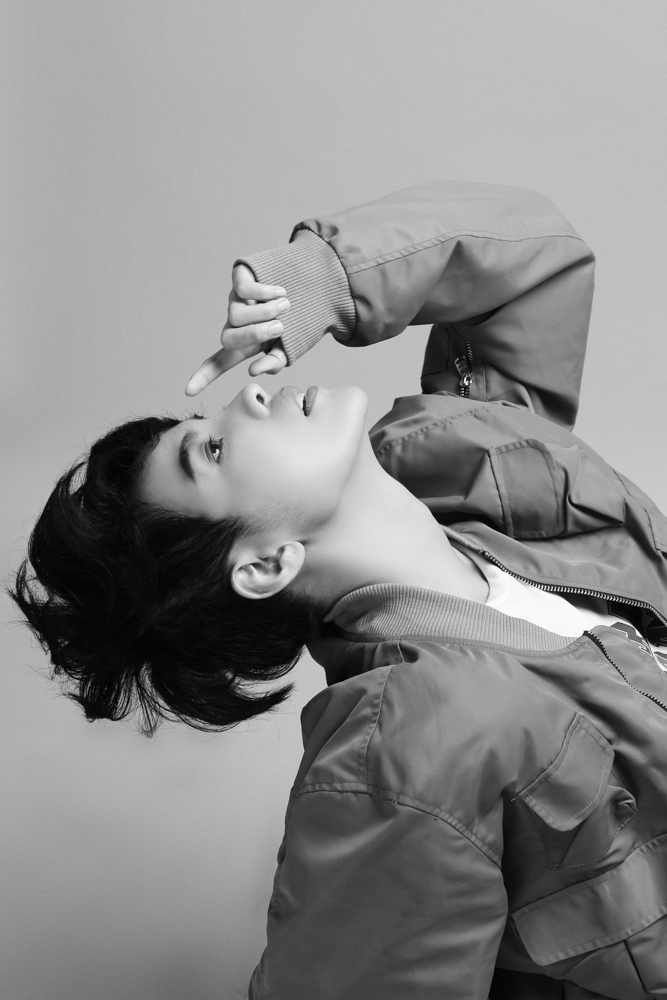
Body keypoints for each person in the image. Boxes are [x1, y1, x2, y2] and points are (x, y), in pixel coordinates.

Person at [11, 181, 667, 998]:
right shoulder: (405, 747)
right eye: (211, 450)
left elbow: (534, 264)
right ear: (263, 566)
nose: (248, 394)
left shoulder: (468, 462)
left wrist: (323, 276)